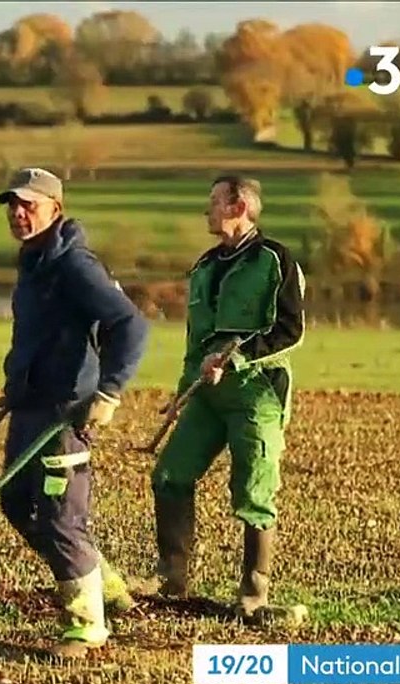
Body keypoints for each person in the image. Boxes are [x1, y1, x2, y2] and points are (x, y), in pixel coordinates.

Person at [135, 175, 305, 626]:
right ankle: (171, 579)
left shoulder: (275, 260)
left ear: (239, 206)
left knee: (253, 492)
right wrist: (179, 397)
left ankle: (253, 595)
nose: (206, 211)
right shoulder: (205, 266)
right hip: (206, 395)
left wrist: (237, 358)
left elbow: (290, 331)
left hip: (257, 393)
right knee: (170, 475)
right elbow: (196, 342)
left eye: (213, 202)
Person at [0, 167, 150, 659]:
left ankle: (87, 625)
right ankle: (102, 584)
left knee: (61, 518)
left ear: (55, 209)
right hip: (30, 406)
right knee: (17, 504)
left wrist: (108, 392)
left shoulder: (73, 265)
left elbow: (129, 323)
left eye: (29, 205)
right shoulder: (35, 263)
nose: (19, 214)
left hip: (65, 413)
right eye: (13, 206)